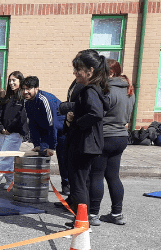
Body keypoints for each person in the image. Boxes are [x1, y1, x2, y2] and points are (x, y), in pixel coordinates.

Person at [64, 49, 109, 227]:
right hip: (89, 144)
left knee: (78, 184)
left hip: (84, 144)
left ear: (90, 71)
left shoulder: (89, 90)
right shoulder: (95, 89)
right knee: (83, 182)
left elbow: (95, 114)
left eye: (78, 69)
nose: (74, 73)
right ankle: (82, 220)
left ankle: (82, 223)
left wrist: (78, 121)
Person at [89, 59, 135, 226]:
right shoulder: (129, 90)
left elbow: (97, 113)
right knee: (113, 176)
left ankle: (92, 214)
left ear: (111, 73)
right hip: (121, 136)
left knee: (96, 175)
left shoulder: (106, 89)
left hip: (105, 136)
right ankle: (117, 213)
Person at [23, 76, 64, 160]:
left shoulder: (44, 100)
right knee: (42, 157)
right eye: (23, 89)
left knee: (65, 163)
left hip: (62, 133)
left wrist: (52, 147)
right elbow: (33, 125)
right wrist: (37, 144)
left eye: (28, 89)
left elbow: (52, 124)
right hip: (48, 133)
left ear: (36, 88)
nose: (25, 92)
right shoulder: (28, 103)